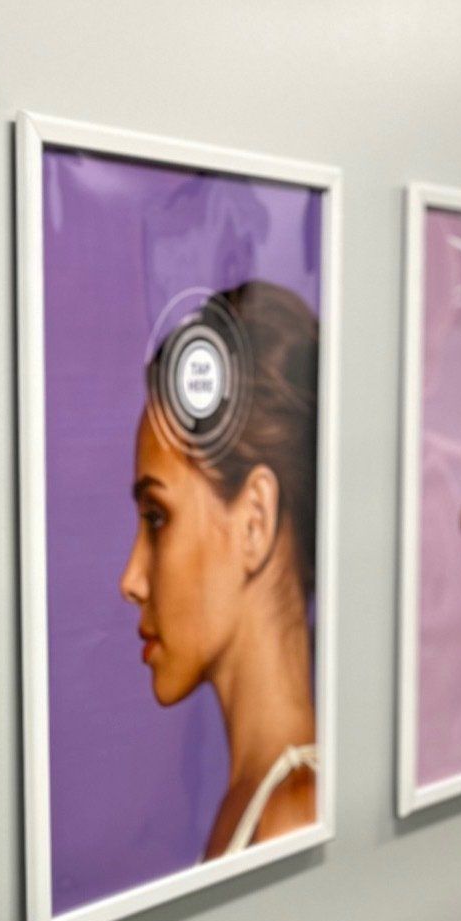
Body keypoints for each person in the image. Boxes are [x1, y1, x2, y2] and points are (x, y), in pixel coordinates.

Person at [119, 281, 320, 860]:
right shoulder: (259, 799)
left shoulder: (290, 815)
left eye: (157, 517)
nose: (130, 579)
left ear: (254, 520)